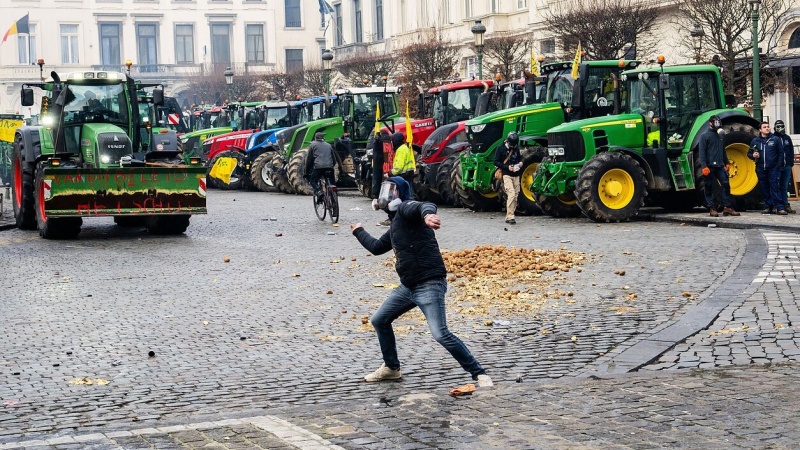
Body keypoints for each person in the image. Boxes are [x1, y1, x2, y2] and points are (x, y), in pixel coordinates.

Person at [350, 177, 493, 388]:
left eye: (392, 190)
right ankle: (391, 368)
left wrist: (428, 216)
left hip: (429, 283)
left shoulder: (407, 208)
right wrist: (358, 231)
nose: (386, 195)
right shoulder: (396, 224)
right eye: (385, 189)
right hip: (408, 286)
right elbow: (377, 247)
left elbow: (424, 206)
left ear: (401, 194)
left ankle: (478, 373)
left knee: (440, 333)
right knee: (379, 320)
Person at [698, 115, 740, 217]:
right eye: (715, 123)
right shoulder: (704, 136)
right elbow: (702, 152)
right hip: (709, 166)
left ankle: (727, 207)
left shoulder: (720, 136)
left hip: (720, 166)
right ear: (710, 123)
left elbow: (723, 150)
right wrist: (704, 166)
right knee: (709, 186)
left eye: (718, 123)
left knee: (726, 184)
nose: (717, 125)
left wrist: (726, 163)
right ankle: (712, 208)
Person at [749, 121, 786, 215]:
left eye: (768, 126)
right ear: (760, 129)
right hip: (761, 168)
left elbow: (781, 153)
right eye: (765, 127)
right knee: (764, 188)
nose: (767, 128)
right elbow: (749, 154)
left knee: (775, 187)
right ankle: (768, 206)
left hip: (773, 168)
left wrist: (778, 166)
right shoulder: (755, 141)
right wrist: (753, 155)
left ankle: (780, 207)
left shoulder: (775, 139)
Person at [494, 131, 523, 225]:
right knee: (511, 193)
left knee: (516, 195)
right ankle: (510, 216)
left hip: (516, 174)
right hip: (506, 174)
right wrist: (507, 167)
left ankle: (509, 215)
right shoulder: (500, 148)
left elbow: (520, 157)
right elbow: (496, 162)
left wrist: (521, 163)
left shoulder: (516, 147)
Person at [306, 132, 336, 204]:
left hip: (318, 167)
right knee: (332, 185)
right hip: (330, 167)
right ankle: (334, 206)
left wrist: (306, 172)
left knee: (313, 181)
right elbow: (334, 159)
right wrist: (331, 166)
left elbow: (309, 160)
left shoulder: (313, 145)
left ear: (315, 138)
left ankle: (319, 192)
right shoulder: (329, 145)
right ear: (323, 138)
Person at [774, 120, 796, 214]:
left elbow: (791, 150)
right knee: (776, 186)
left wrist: (790, 163)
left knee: (784, 186)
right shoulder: (773, 138)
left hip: (786, 165)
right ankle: (778, 205)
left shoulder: (787, 138)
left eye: (781, 126)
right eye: (778, 126)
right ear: (774, 128)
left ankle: (786, 204)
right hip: (777, 166)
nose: (780, 128)